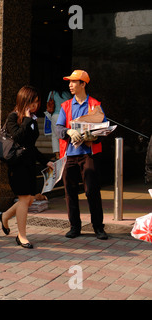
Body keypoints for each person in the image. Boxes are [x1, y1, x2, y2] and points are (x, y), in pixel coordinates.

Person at [55, 70, 108, 240]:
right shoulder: (65, 106)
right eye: (69, 82)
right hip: (69, 155)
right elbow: (58, 128)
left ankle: (98, 228)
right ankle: (74, 227)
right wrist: (69, 131)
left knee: (92, 191)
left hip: (88, 154)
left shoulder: (95, 104)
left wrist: (93, 135)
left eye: (74, 82)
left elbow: (104, 128)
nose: (70, 85)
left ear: (83, 84)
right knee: (70, 192)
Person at [0, 86, 54, 249]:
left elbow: (31, 146)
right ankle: (21, 236)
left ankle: (5, 216)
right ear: (24, 101)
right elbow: (17, 137)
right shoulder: (13, 117)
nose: (35, 105)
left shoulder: (32, 120)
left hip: (30, 164)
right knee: (24, 199)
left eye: (37, 102)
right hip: (17, 166)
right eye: (32, 102)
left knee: (29, 200)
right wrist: (28, 120)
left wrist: (46, 162)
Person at [45, 81, 72, 160]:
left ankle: (57, 155)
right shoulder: (68, 94)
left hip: (56, 116)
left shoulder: (52, 93)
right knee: (65, 134)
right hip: (66, 116)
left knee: (55, 136)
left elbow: (48, 104)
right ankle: (65, 153)